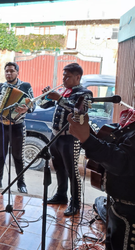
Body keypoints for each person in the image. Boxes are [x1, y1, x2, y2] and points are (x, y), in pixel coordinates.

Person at [68, 109, 135, 250]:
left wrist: (87, 139)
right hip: (118, 207)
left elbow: (122, 162)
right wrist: (87, 135)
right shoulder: (130, 120)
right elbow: (115, 145)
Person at [39, 63, 93, 216]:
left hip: (71, 138)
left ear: (78, 77)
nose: (64, 79)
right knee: (58, 167)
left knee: (72, 171)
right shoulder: (64, 90)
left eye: (68, 76)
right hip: (55, 136)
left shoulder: (85, 93)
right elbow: (44, 105)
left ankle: (75, 203)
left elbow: (79, 111)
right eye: (63, 75)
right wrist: (45, 96)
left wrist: (60, 98)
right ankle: (61, 195)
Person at [0, 62, 35, 194]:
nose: (9, 73)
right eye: (6, 71)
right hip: (1, 125)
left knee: (18, 156)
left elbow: (32, 105)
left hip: (17, 126)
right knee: (0, 155)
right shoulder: (0, 86)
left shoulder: (25, 86)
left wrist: (27, 108)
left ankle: (21, 183)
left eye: (11, 71)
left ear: (17, 72)